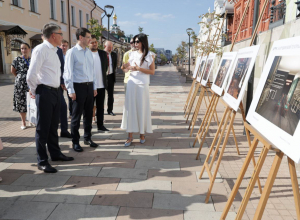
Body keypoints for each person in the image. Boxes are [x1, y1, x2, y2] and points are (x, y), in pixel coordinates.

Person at [27, 23, 74, 173]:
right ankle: (42, 160)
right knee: (43, 129)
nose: (62, 37)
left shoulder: (54, 50)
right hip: (45, 92)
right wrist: (35, 91)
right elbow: (31, 75)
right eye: (60, 34)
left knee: (54, 125)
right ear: (53, 35)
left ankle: (55, 153)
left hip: (55, 92)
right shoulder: (41, 50)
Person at [64, 27, 98, 152]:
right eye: (88, 37)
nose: (90, 39)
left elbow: (92, 71)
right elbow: (68, 72)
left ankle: (87, 138)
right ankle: (75, 142)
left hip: (89, 86)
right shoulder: (72, 52)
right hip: (78, 87)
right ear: (81, 37)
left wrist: (94, 87)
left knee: (89, 114)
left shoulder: (89, 52)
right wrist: (70, 90)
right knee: (76, 116)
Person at [121, 34, 155, 147]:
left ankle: (142, 134)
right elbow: (126, 69)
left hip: (142, 84)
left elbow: (152, 71)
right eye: (134, 42)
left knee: (141, 108)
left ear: (143, 42)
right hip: (131, 83)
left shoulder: (149, 55)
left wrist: (139, 68)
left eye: (137, 42)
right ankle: (129, 136)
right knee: (130, 109)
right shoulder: (131, 54)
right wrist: (124, 67)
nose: (135, 44)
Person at [89, 35, 109, 132]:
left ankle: (100, 125)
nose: (94, 43)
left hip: (101, 85)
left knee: (100, 107)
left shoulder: (103, 53)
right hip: (90, 86)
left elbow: (106, 67)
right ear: (88, 43)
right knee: (89, 107)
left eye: (95, 42)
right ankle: (88, 127)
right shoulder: (86, 53)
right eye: (92, 42)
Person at [11, 42, 31, 130]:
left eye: (25, 48)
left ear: (29, 49)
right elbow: (13, 71)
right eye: (22, 48)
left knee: (30, 103)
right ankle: (23, 122)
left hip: (31, 85)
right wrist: (20, 78)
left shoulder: (32, 59)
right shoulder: (16, 59)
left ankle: (31, 119)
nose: (23, 50)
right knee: (21, 103)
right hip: (20, 85)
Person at [57, 45, 72, 138]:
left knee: (63, 107)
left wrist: (62, 81)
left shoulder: (59, 50)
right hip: (44, 87)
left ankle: (64, 130)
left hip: (57, 86)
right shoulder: (38, 49)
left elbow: (62, 67)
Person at [60, 39, 72, 118]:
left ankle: (71, 113)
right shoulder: (58, 54)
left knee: (70, 97)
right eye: (63, 45)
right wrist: (62, 81)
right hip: (59, 80)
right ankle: (60, 115)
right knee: (60, 98)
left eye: (66, 46)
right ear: (60, 46)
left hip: (68, 79)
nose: (64, 47)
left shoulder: (69, 54)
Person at [104, 41, 117, 116]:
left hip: (111, 76)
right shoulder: (101, 54)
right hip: (103, 77)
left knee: (110, 95)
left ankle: (110, 110)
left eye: (111, 47)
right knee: (100, 95)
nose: (110, 49)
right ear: (105, 46)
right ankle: (98, 111)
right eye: (109, 47)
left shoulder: (114, 54)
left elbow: (114, 65)